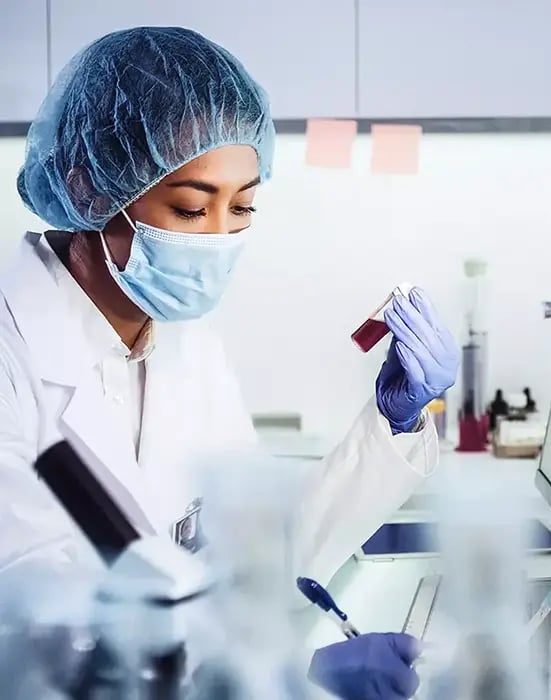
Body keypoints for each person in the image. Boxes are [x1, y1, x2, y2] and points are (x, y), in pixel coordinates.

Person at [4, 27, 459, 699]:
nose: (219, 239)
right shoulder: (12, 358)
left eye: (242, 205)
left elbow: (253, 566)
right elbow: (37, 647)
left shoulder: (185, 346)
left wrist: (391, 425)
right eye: (191, 208)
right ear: (90, 190)